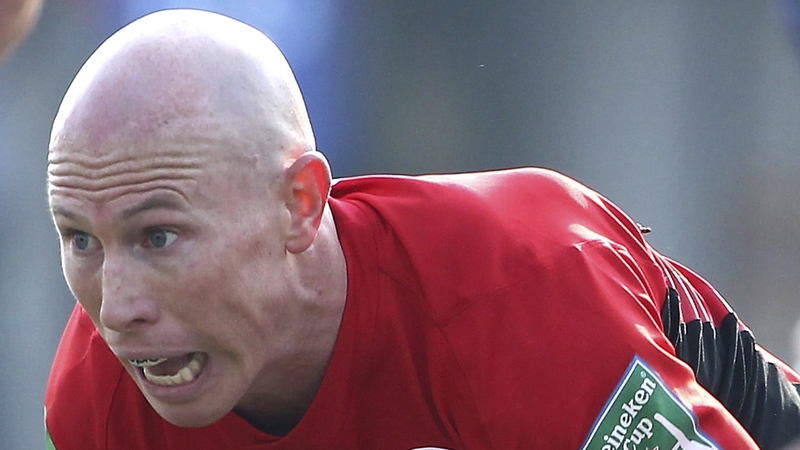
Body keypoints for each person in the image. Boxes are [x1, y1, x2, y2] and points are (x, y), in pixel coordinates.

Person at [43, 9, 800, 450]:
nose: (118, 308)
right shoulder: (96, 399)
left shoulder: (521, 290)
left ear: (299, 204)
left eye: (158, 237)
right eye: (80, 240)